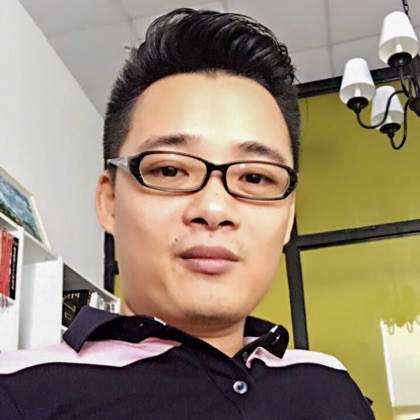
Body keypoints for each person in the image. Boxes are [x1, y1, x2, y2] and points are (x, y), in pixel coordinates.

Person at [0, 8, 374, 419]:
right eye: (169, 170)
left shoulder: (329, 384)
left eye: (255, 177)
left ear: (288, 218)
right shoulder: (20, 392)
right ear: (110, 201)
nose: (214, 209)